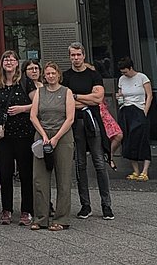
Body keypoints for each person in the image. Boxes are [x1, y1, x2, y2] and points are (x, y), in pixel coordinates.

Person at [62, 42, 113, 220]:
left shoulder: (93, 74)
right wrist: (86, 99)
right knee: (80, 165)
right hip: (75, 123)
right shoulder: (65, 77)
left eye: (78, 55)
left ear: (83, 55)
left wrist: (76, 97)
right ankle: (85, 205)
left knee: (99, 163)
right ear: (69, 57)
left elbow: (98, 98)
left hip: (93, 122)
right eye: (72, 55)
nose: (76, 58)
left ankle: (106, 205)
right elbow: (66, 102)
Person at [29, 61, 75, 231]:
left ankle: (61, 219)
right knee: (39, 179)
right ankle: (41, 218)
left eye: (53, 73)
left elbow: (70, 118)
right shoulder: (39, 92)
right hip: (42, 135)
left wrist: (55, 138)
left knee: (63, 178)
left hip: (62, 136)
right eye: (47, 74)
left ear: (58, 74)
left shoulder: (66, 92)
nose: (50, 76)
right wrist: (43, 135)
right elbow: (34, 116)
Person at [0, 49, 34, 225]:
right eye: (6, 59)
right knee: (5, 173)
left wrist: (22, 109)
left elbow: (36, 104)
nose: (9, 62)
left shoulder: (25, 82)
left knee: (25, 173)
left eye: (12, 59)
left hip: (24, 133)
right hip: (4, 135)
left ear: (17, 63)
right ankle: (6, 209)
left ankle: (26, 210)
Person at [115, 56, 153, 181]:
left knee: (142, 138)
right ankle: (136, 170)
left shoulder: (142, 77)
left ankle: (145, 171)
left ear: (131, 68)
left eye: (125, 71)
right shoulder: (121, 79)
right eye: (122, 72)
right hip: (126, 110)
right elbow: (121, 94)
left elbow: (149, 95)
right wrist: (119, 97)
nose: (124, 74)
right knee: (128, 139)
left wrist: (145, 111)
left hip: (139, 109)